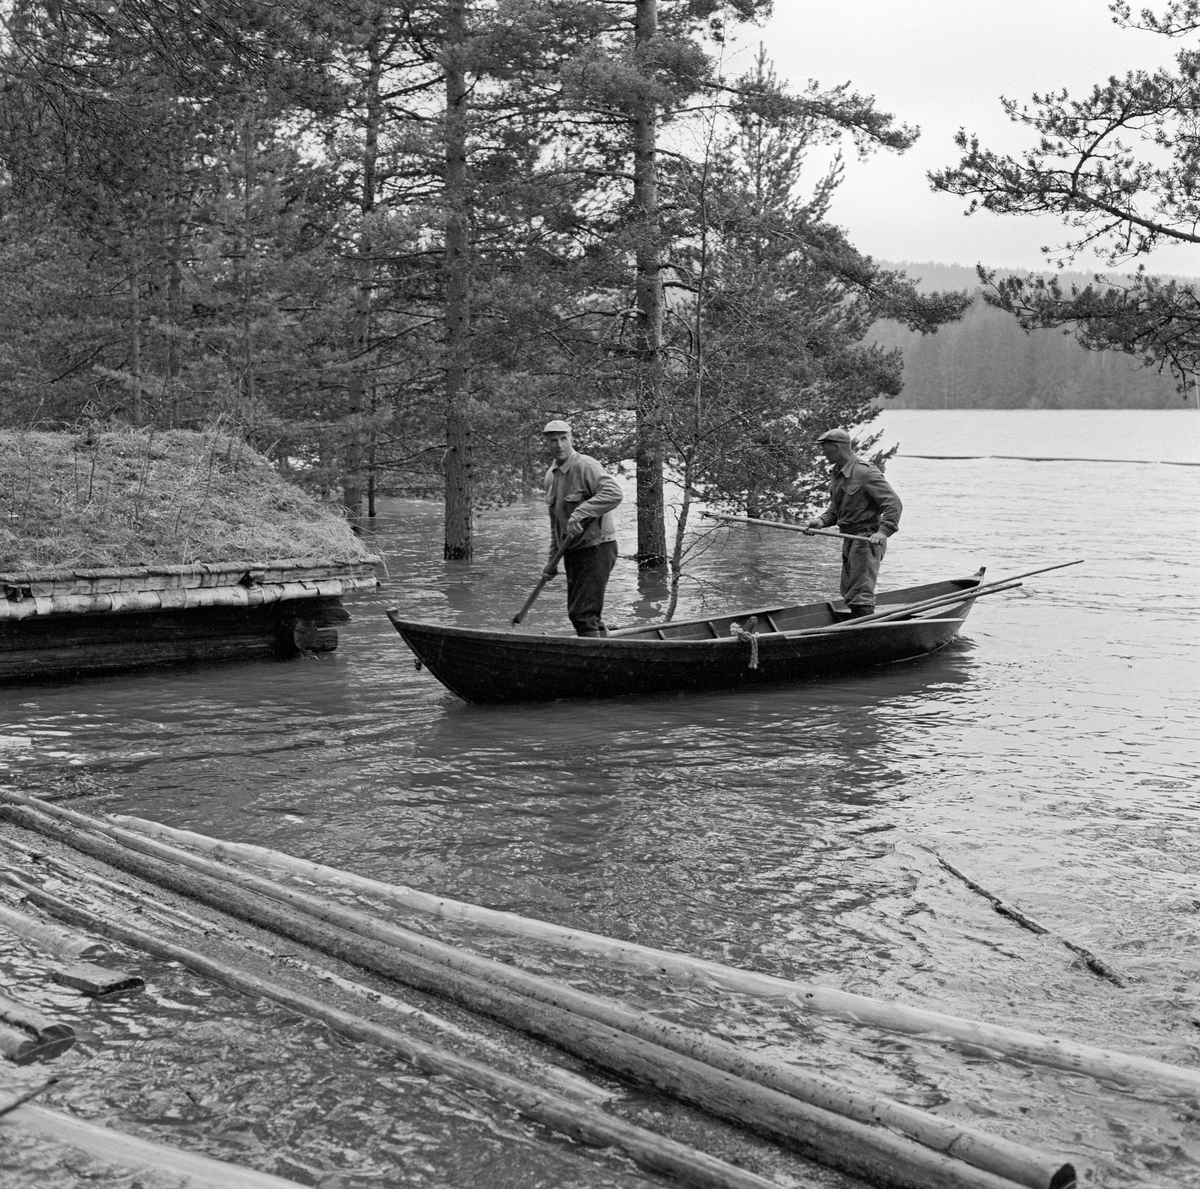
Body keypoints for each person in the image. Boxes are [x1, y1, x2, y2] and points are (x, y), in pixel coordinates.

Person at [805, 427, 902, 617]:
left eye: (825, 448)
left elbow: (894, 503)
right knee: (849, 592)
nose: (822, 453)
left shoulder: (865, 472)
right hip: (849, 538)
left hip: (866, 540)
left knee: (860, 595)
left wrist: (883, 532)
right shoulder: (838, 473)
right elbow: (836, 509)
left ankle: (866, 636)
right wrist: (821, 522)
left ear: (837, 447)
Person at [542, 419, 623, 636]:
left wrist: (580, 513)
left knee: (582, 614)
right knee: (585, 613)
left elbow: (614, 493)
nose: (559, 445)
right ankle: (606, 650)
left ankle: (595, 665)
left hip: (597, 548)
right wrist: (552, 559)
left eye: (563, 439)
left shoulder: (586, 466)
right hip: (572, 551)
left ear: (571, 439)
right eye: (553, 441)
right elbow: (556, 524)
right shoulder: (551, 475)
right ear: (547, 444)